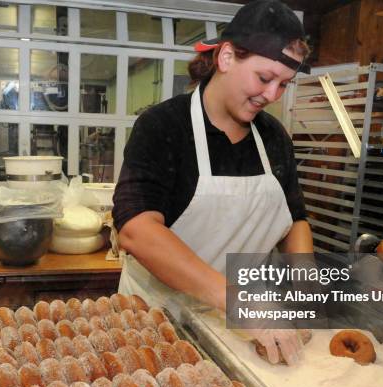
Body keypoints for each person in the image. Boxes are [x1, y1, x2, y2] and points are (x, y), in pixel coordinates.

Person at [112, 0, 313, 366]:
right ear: (225, 58)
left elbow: (294, 218)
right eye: (265, 78)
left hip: (237, 328)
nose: (272, 96)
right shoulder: (162, 127)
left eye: (284, 84)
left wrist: (304, 284)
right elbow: (137, 230)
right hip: (154, 322)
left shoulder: (274, 139)